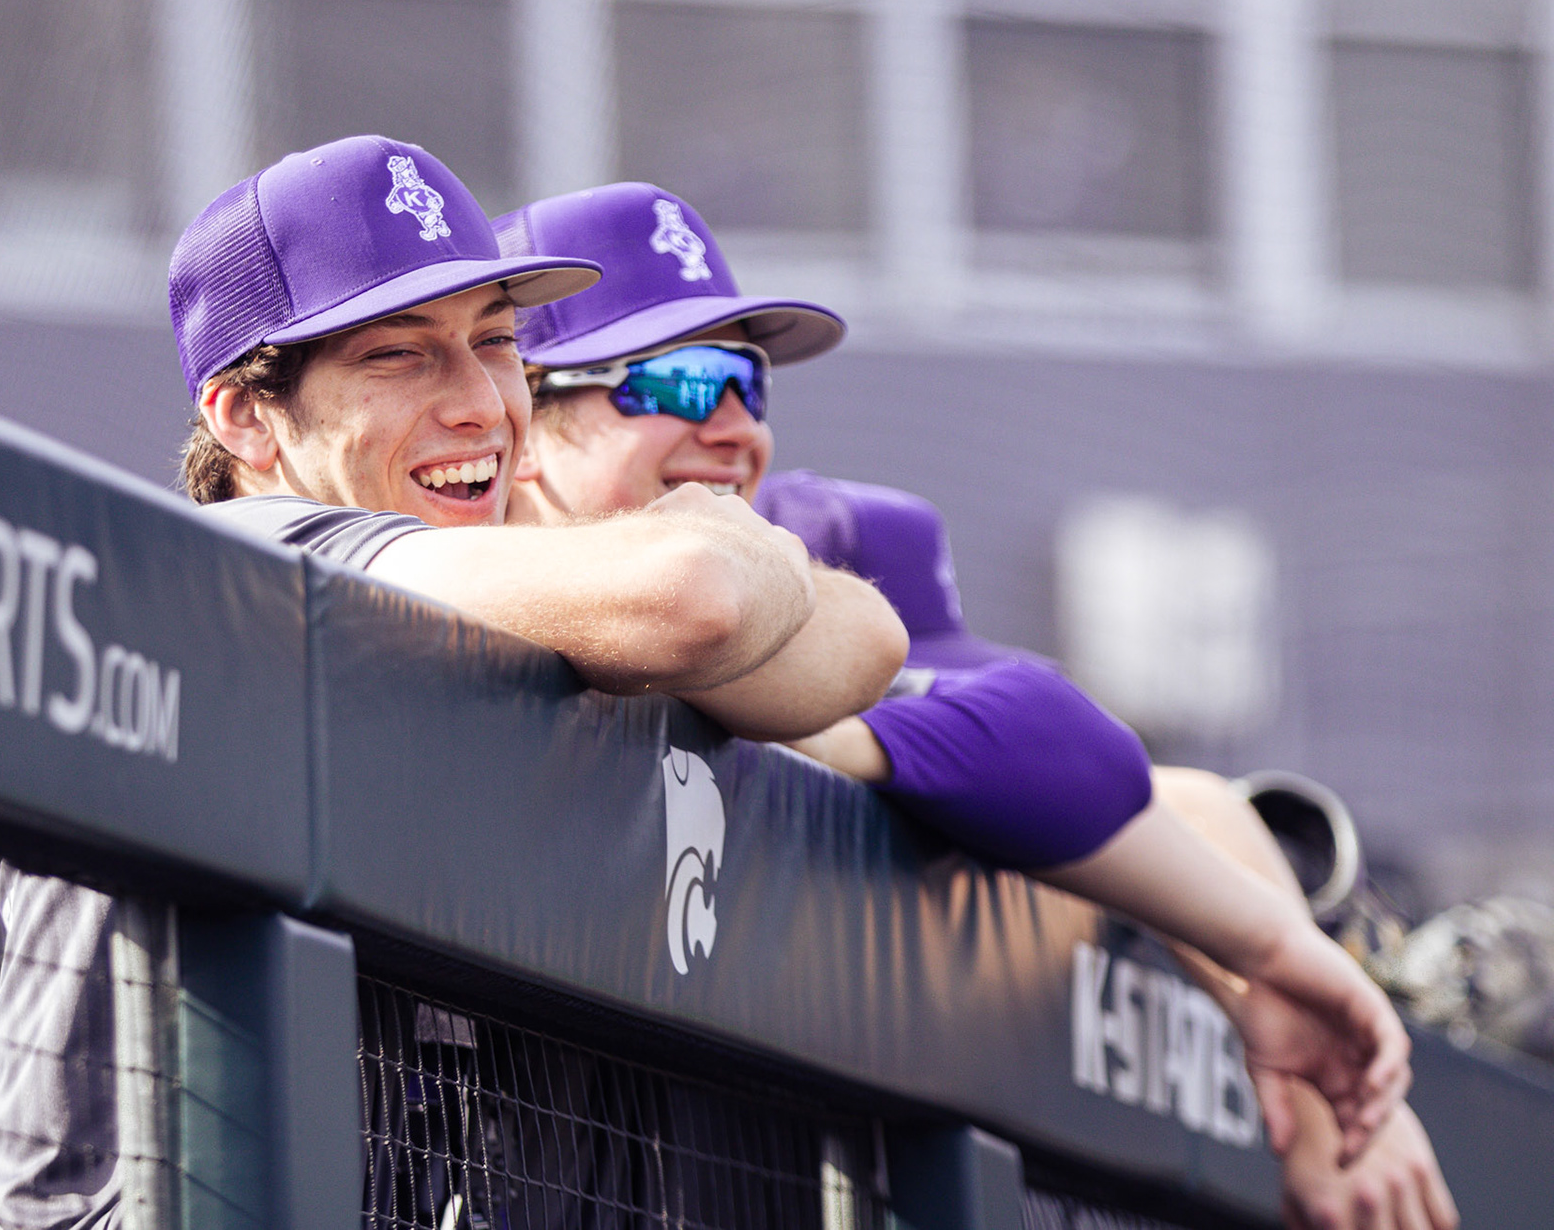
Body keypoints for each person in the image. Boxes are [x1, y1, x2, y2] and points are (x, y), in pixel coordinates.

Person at [0, 137, 909, 1230]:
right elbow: (697, 598)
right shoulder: (246, 556)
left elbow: (866, 641)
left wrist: (730, 577)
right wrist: (723, 545)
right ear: (246, 417)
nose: (480, 403)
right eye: (399, 355)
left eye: (496, 342)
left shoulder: (499, 595)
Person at [495, 182, 1440, 1222]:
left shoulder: (790, 549)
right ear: (519, 415)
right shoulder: (433, 576)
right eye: (674, 381)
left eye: (747, 383)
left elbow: (1069, 743)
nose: (731, 424)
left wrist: (828, 729)